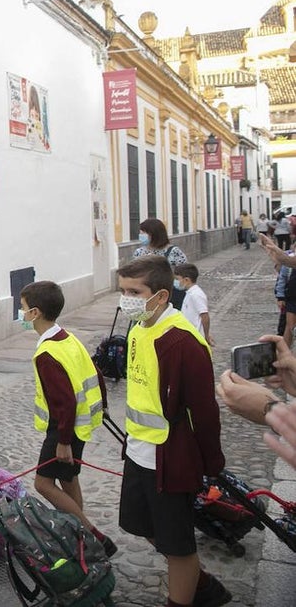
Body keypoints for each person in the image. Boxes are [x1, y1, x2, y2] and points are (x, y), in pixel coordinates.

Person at [116, 256, 230, 607]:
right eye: (122, 291)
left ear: (162, 296)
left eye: (135, 292)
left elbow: (205, 411)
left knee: (177, 546)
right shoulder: (138, 327)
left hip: (169, 458)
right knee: (142, 526)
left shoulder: (183, 342)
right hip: (138, 451)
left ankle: (185, 595)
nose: (127, 299)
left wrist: (211, 463)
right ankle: (202, 584)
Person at [19, 281, 117, 557]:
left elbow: (64, 401)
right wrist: (103, 406)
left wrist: (62, 441)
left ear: (35, 312)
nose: (21, 313)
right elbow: (95, 372)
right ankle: (79, 533)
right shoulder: (66, 338)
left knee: (43, 483)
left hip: (64, 429)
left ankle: (92, 535)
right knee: (69, 478)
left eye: (23, 308)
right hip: (79, 426)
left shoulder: (47, 354)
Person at [173, 264, 212, 347]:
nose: (175, 282)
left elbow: (204, 315)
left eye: (177, 279)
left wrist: (206, 335)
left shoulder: (196, 294)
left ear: (186, 280)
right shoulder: (189, 293)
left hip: (196, 336)